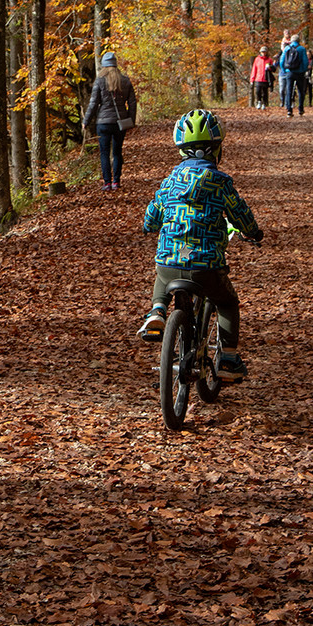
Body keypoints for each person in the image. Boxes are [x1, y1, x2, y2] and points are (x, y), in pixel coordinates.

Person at [135, 109, 265, 381]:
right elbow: (240, 214)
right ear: (217, 150)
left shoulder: (170, 182)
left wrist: (151, 226)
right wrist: (252, 232)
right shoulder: (220, 182)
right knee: (227, 302)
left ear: (181, 151)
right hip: (206, 264)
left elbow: (151, 217)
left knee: (163, 269)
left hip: (170, 260)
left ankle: (158, 311)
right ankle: (228, 359)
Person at [83, 50, 138, 190]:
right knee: (117, 151)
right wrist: (131, 120)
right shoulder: (125, 81)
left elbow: (93, 103)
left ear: (104, 66)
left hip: (103, 123)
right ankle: (116, 181)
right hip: (120, 122)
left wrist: (86, 121)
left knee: (104, 152)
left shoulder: (100, 81)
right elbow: (132, 103)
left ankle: (107, 182)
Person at [280, 36, 310, 116]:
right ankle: (300, 109)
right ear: (298, 40)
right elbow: (305, 61)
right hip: (300, 72)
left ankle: (289, 110)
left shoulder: (287, 48)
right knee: (301, 90)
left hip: (289, 72)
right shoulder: (302, 49)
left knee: (289, 90)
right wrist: (304, 70)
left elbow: (282, 61)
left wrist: (284, 70)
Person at [248, 45, 276, 109]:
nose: (263, 53)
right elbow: (254, 69)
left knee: (265, 92)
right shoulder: (257, 59)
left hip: (266, 78)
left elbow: (273, 69)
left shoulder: (269, 60)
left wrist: (270, 67)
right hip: (258, 78)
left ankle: (264, 103)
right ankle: (259, 102)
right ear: (260, 52)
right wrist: (252, 79)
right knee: (258, 91)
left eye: (265, 52)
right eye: (262, 52)